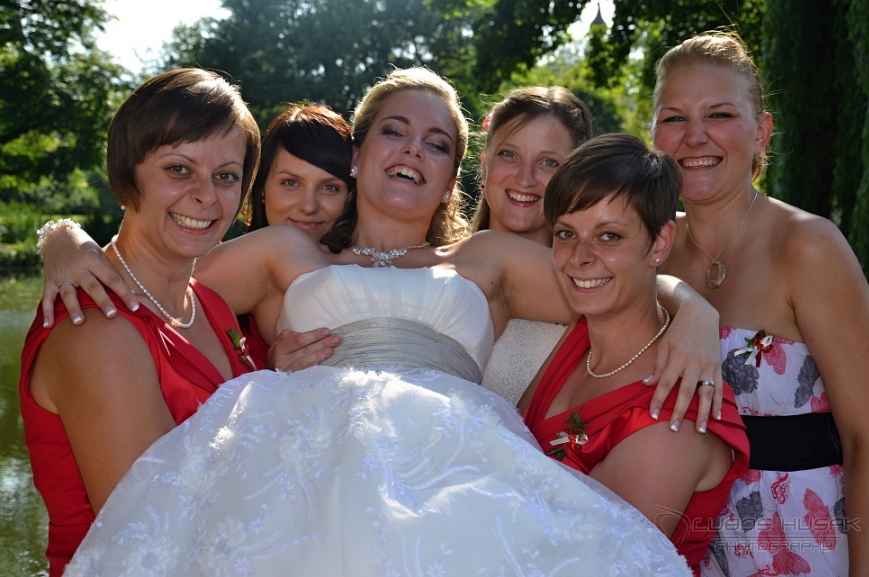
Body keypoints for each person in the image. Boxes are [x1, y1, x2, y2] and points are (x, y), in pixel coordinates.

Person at [41, 67, 719, 575]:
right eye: (394, 132)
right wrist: (64, 240)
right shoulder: (286, 252)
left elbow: (611, 276)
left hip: (451, 466)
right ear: (358, 154)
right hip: (301, 466)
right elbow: (149, 275)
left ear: (452, 178)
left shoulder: (487, 259)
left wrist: (692, 308)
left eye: (436, 144)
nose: (412, 150)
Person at [650, 31, 869, 576]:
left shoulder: (807, 247)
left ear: (761, 132)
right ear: (654, 136)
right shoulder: (649, 253)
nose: (694, 136)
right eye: (674, 118)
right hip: (680, 552)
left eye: (719, 114)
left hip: (803, 546)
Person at [19, 68, 262, 576]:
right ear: (127, 174)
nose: (205, 195)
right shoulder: (99, 329)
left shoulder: (210, 305)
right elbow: (156, 540)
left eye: (225, 176)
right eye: (179, 169)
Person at [519, 133, 750, 576]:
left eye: (609, 236)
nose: (579, 258)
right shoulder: (584, 335)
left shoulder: (672, 418)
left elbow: (586, 565)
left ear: (660, 243)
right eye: (566, 234)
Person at [472, 87, 596, 405]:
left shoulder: (593, 284)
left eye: (549, 162)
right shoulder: (440, 261)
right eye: (509, 155)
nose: (525, 178)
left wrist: (692, 309)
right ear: (485, 163)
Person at [238, 103, 353, 367]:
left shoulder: (374, 271)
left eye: (329, 187)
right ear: (262, 189)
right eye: (290, 183)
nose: (309, 206)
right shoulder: (218, 268)